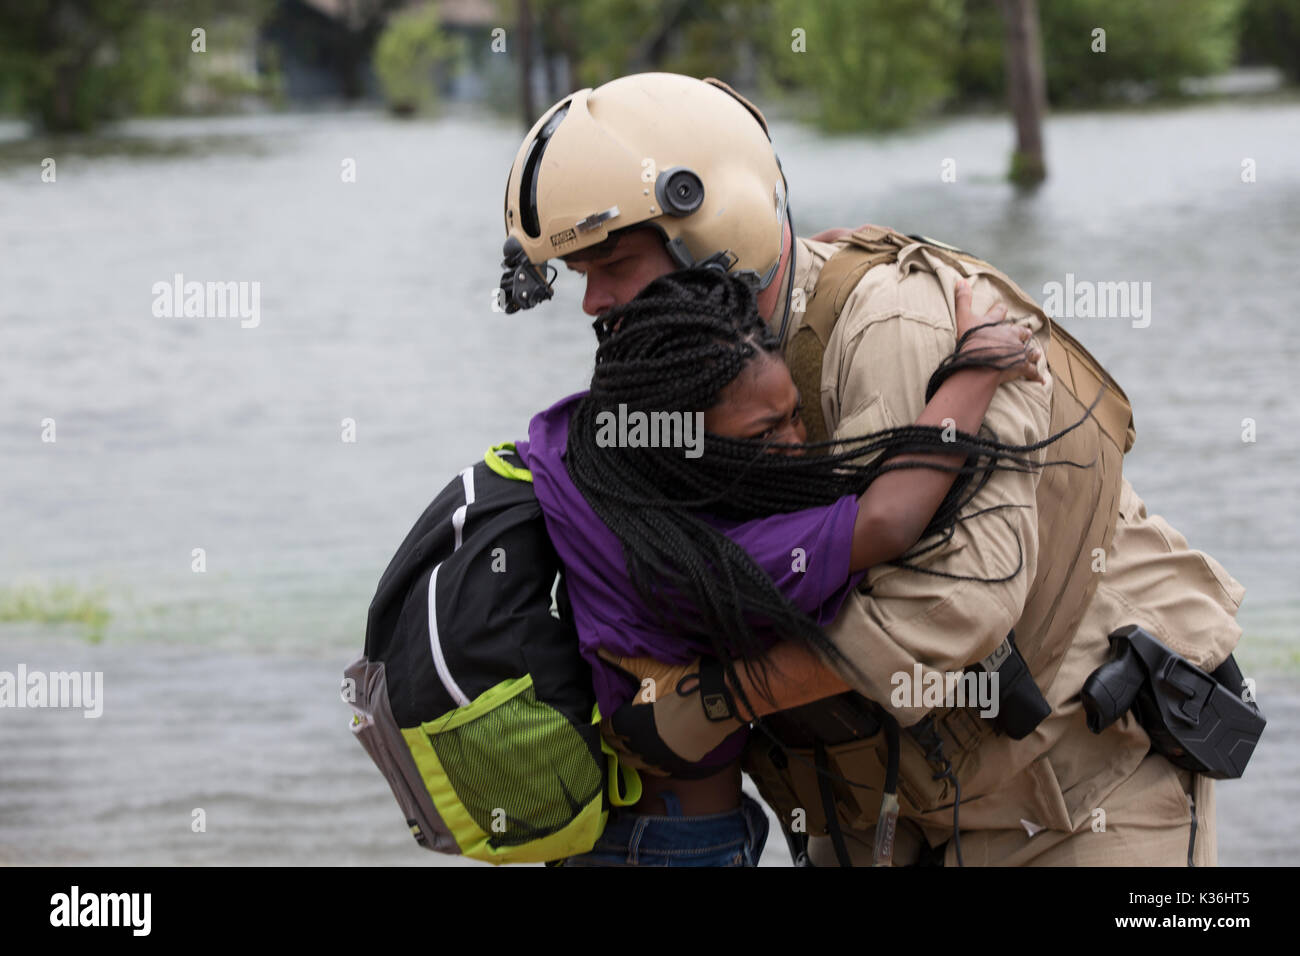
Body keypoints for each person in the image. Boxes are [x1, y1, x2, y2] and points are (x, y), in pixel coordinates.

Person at [498, 73, 1245, 866]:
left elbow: (954, 604)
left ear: (716, 222)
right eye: (580, 276)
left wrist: (719, 698)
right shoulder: (680, 371)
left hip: (1074, 789)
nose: (593, 304)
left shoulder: (892, 324)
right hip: (878, 809)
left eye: (612, 264)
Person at [512, 267, 1047, 866]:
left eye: (794, 413)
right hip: (676, 847)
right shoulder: (705, 562)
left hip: (625, 831)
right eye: (766, 431)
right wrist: (977, 366)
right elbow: (886, 521)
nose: (797, 442)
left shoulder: (576, 445)